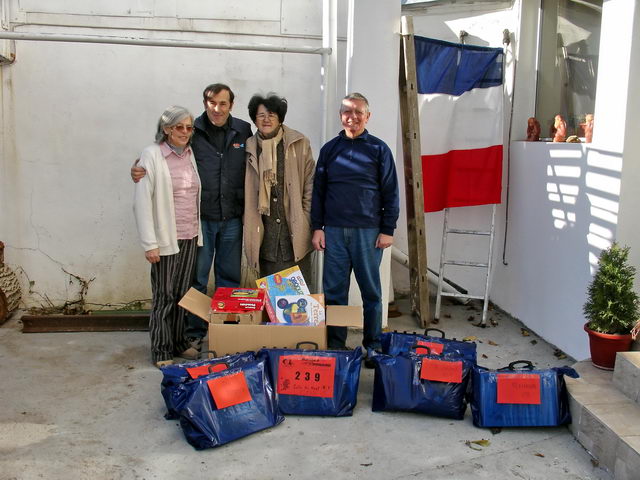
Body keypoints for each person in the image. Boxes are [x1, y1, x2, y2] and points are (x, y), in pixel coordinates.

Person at [132, 84, 252, 347]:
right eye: (212, 103)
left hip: (232, 216)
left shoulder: (243, 130)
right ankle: (193, 334)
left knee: (229, 277)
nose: (217, 109)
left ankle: (227, 333)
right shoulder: (193, 129)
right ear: (205, 103)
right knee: (196, 279)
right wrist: (137, 167)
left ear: (231, 105)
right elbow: (160, 153)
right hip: (202, 220)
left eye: (223, 103)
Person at [311, 92, 399, 366]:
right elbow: (319, 193)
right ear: (341, 116)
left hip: (368, 233)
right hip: (335, 232)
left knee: (371, 293)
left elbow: (390, 193)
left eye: (358, 112)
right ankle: (336, 346)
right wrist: (318, 228)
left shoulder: (379, 149)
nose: (353, 117)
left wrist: (387, 229)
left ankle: (372, 346)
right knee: (335, 292)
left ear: (367, 116)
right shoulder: (329, 150)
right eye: (348, 112)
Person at [133, 106, 203, 368]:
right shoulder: (151, 155)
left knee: (182, 293)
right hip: (165, 239)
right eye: (178, 127)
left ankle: (178, 341)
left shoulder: (189, 154)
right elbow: (141, 202)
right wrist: (150, 244)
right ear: (166, 129)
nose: (184, 132)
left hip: (189, 235)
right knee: (164, 295)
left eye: (188, 127)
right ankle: (161, 349)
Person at [242, 93, 315, 287]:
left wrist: (305, 217)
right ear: (254, 119)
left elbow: (310, 184)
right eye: (261, 115)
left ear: (280, 117)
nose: (266, 119)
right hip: (265, 235)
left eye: (271, 114)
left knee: (299, 299)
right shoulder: (249, 147)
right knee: (271, 299)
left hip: (294, 233)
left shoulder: (298, 143)